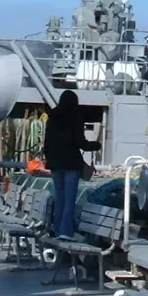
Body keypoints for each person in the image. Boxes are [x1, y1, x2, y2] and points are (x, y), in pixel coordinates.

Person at [43, 90, 99, 240]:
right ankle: (66, 231)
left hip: (55, 164)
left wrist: (50, 159)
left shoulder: (52, 117)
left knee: (59, 197)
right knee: (69, 199)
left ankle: (57, 229)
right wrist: (96, 145)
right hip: (71, 164)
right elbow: (80, 142)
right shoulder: (76, 116)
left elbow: (46, 144)